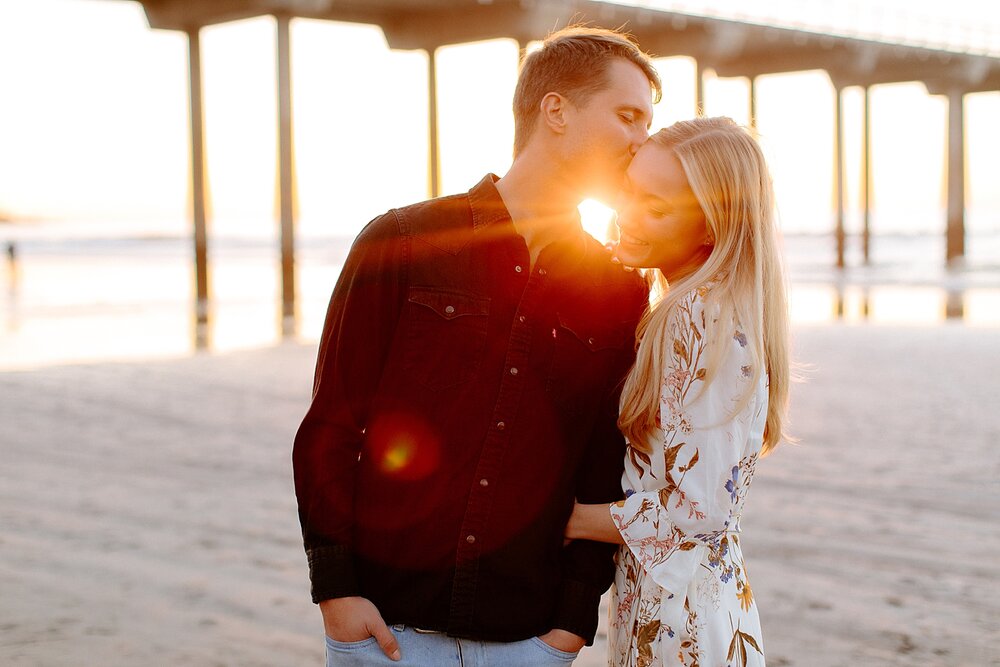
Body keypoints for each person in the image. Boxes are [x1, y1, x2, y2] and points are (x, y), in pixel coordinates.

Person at [292, 26, 662, 666]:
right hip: (387, 636)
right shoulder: (402, 242)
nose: (640, 141)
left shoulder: (619, 290)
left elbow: (603, 468)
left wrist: (572, 624)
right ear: (556, 111)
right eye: (627, 116)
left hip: (529, 644)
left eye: (648, 124)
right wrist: (338, 593)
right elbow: (332, 424)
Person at [564, 117, 790, 667]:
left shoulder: (697, 315)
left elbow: (702, 509)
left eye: (656, 207)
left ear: (711, 227)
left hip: (680, 619)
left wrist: (569, 519)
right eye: (628, 193)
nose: (627, 216)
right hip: (696, 599)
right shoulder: (711, 307)